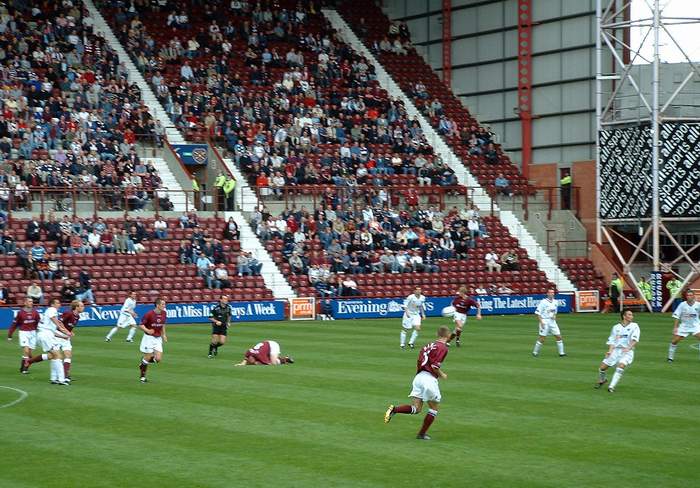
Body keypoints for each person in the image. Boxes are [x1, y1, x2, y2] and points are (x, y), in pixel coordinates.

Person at [384, 325, 451, 440]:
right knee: (433, 408)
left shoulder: (427, 345)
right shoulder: (443, 347)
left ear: (437, 334)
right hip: (428, 379)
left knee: (417, 408)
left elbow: (421, 360)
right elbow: (435, 366)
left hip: (419, 377)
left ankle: (394, 409)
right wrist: (442, 374)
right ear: (448, 335)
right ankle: (421, 434)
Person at [22, 298, 71, 384]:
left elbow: (52, 330)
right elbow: (54, 320)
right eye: (57, 303)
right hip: (45, 335)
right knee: (58, 355)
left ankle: (53, 378)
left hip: (45, 335)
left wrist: (63, 336)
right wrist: (63, 329)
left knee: (53, 356)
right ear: (52, 304)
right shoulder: (52, 310)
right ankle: (61, 380)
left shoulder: (48, 313)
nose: (59, 305)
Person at [595, 309, 640, 393]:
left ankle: (611, 386)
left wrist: (628, 348)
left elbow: (635, 339)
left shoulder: (635, 326)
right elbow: (612, 341)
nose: (632, 316)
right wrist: (609, 351)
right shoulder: (616, 327)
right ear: (624, 316)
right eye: (629, 315)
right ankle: (602, 380)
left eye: (632, 315)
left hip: (627, 351)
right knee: (602, 368)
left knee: (621, 366)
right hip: (615, 351)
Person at [138, 298, 168, 383]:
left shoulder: (164, 313)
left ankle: (143, 363)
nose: (164, 306)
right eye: (163, 304)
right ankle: (142, 377)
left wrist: (164, 335)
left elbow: (163, 324)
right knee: (148, 356)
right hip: (148, 338)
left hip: (158, 338)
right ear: (157, 305)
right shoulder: (149, 314)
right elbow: (141, 325)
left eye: (164, 304)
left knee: (158, 359)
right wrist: (147, 330)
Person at [7, 298, 40, 373]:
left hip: (33, 333)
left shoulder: (35, 312)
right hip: (24, 333)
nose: (31, 303)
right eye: (29, 301)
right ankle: (25, 368)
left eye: (32, 301)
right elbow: (14, 324)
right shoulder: (20, 313)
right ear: (25, 303)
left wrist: (37, 330)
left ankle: (23, 367)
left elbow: (38, 322)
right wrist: (10, 335)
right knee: (26, 350)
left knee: (29, 353)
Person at [667, 290, 700, 363]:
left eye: (691, 295)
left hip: (695, 326)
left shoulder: (698, 305)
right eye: (688, 295)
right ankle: (670, 358)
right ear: (686, 296)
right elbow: (677, 316)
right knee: (674, 341)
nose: (689, 297)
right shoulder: (682, 304)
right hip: (684, 326)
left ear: (694, 296)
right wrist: (675, 327)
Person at [55, 300, 84, 382]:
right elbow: (59, 322)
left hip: (66, 337)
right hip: (57, 335)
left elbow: (69, 326)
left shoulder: (77, 316)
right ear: (76, 307)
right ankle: (29, 361)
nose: (83, 307)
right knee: (53, 356)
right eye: (81, 306)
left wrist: (70, 332)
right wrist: (66, 332)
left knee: (68, 355)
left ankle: (65, 375)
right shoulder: (68, 313)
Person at [532, 288, 566, 357]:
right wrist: (541, 322)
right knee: (542, 338)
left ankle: (561, 353)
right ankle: (535, 352)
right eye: (550, 292)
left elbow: (554, 312)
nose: (552, 294)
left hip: (552, 322)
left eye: (553, 292)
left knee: (558, 336)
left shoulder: (555, 302)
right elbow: (538, 313)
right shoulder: (543, 302)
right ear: (547, 294)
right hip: (544, 321)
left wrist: (554, 316)